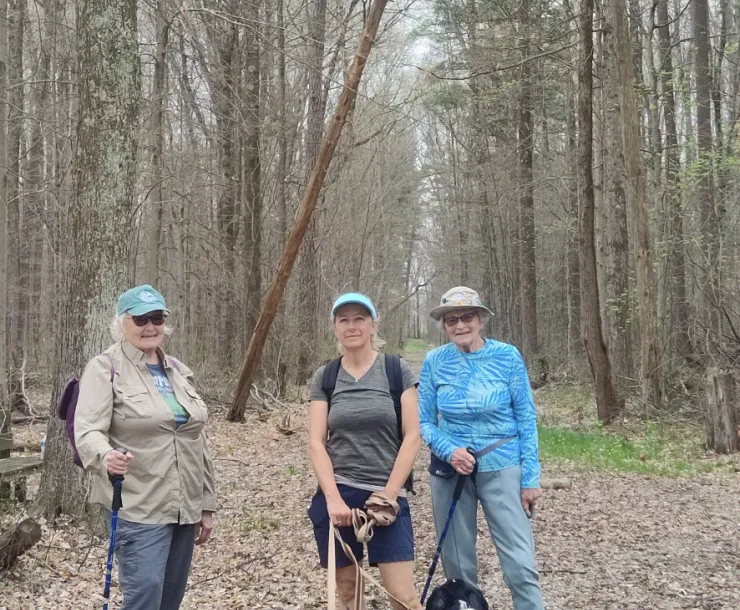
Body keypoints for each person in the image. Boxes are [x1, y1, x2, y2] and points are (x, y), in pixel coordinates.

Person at [75, 284, 217, 610]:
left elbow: (197, 440)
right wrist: (105, 455)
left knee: (170, 599)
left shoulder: (179, 371)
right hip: (139, 506)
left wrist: (206, 503)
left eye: (157, 318)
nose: (150, 326)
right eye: (140, 319)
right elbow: (87, 430)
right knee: (145, 596)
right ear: (121, 323)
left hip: (185, 505)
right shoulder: (105, 368)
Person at [418, 286, 545, 610]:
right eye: (451, 320)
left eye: (467, 317)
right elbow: (425, 423)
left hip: (502, 466)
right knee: (458, 566)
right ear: (444, 325)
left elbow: (526, 417)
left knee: (520, 563)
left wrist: (530, 478)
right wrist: (450, 451)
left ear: (481, 319)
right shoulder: (434, 361)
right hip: (451, 472)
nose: (460, 325)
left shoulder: (507, 356)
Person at [307, 293, 423, 610]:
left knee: (403, 597)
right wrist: (332, 499)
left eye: (359, 318)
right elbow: (316, 441)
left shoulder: (396, 370)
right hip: (340, 493)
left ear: (373, 324)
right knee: (348, 593)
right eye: (343, 320)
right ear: (335, 328)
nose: (352, 326)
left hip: (387, 495)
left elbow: (412, 436)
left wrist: (389, 493)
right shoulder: (326, 377)